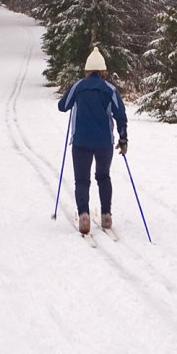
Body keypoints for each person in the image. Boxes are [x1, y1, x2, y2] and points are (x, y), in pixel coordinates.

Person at [58, 46, 128, 235]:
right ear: (103, 70)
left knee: (82, 180)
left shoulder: (78, 86)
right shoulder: (109, 89)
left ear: (87, 69)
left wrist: (74, 96)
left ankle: (84, 216)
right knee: (103, 176)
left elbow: (62, 106)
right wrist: (123, 139)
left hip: (81, 141)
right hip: (104, 142)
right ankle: (106, 215)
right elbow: (120, 115)